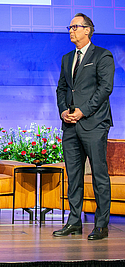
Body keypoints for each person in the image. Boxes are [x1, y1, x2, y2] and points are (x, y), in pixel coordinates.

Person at [54, 13, 115, 240]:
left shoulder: (102, 55)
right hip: (70, 125)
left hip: (94, 123)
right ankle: (74, 222)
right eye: (69, 27)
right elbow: (61, 89)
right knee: (73, 174)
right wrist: (63, 111)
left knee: (99, 174)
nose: (71, 30)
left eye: (75, 27)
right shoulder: (67, 58)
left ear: (87, 30)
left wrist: (84, 110)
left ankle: (101, 224)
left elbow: (105, 88)